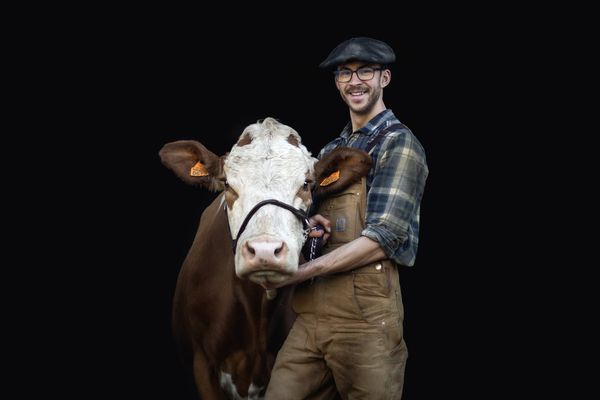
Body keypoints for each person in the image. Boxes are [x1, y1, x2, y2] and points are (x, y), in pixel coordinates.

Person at [264, 37, 429, 399]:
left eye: (365, 71)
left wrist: (298, 272)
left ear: (384, 78)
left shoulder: (398, 145)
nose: (354, 81)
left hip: (365, 324)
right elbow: (319, 225)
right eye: (345, 73)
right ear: (337, 82)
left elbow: (383, 238)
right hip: (310, 318)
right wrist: (311, 231)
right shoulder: (330, 152)